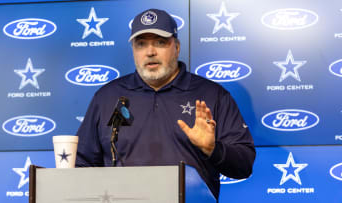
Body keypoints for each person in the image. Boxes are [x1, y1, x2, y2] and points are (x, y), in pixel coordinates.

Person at [76, 8, 256, 200]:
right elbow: (80, 164)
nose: (150, 52)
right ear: (133, 51)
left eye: (160, 43)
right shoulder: (107, 97)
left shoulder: (212, 95)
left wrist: (213, 149)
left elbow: (244, 165)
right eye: (141, 44)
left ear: (176, 47)